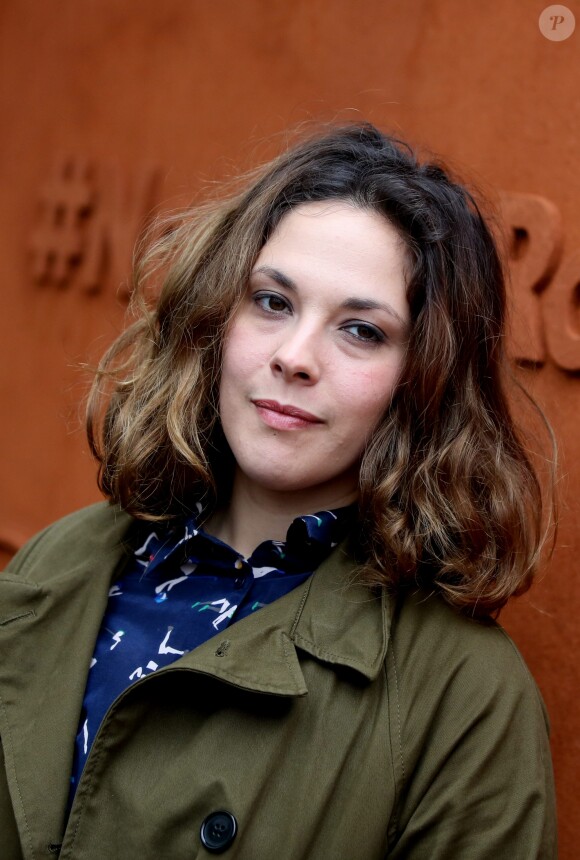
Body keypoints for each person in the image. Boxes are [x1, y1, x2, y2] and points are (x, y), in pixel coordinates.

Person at [0, 123, 556, 859]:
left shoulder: (463, 696)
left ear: (424, 378)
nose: (294, 357)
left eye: (360, 330)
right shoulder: (63, 560)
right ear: (216, 313)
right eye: (272, 301)